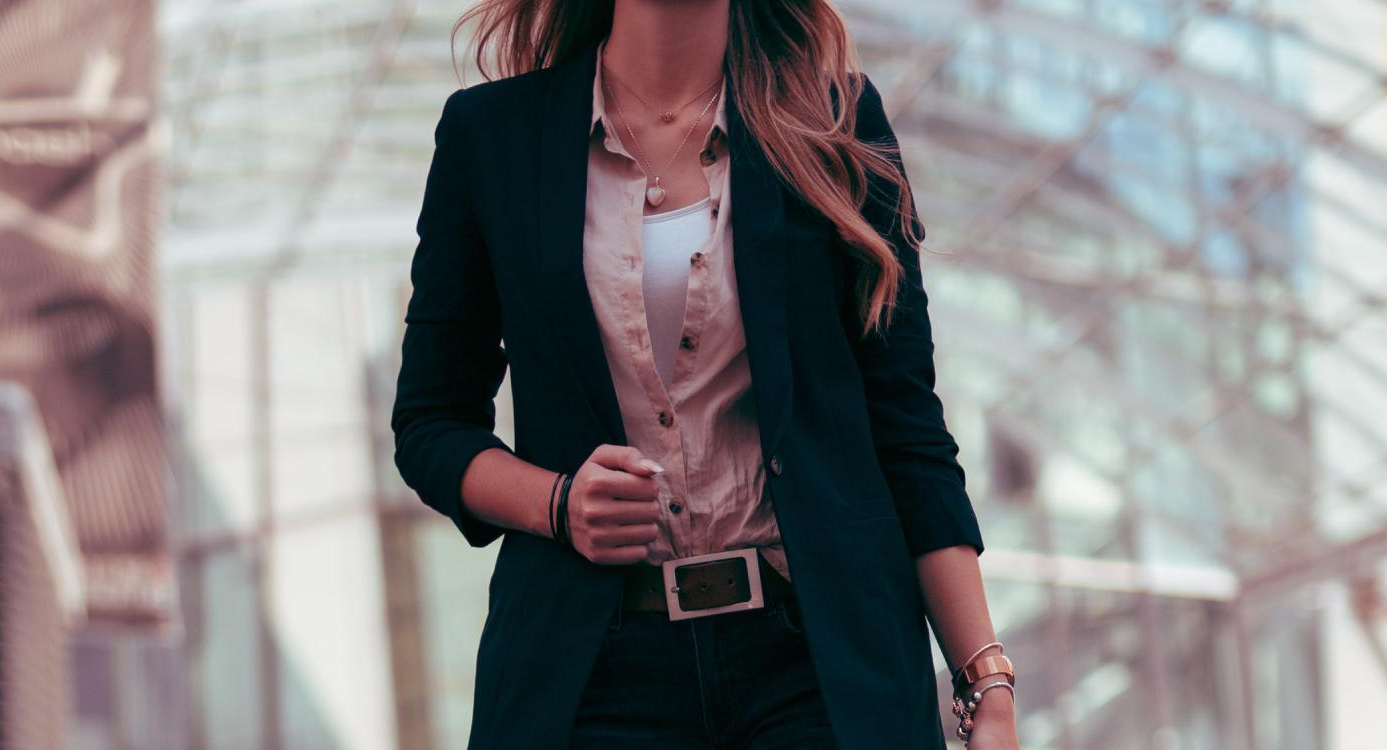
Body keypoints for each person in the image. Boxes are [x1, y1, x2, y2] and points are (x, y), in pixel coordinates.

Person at [391, 0, 1022, 747]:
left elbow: (906, 424)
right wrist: (558, 503)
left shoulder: (834, 120)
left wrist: (986, 682)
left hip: (818, 671)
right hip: (591, 677)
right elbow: (429, 422)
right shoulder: (490, 137)